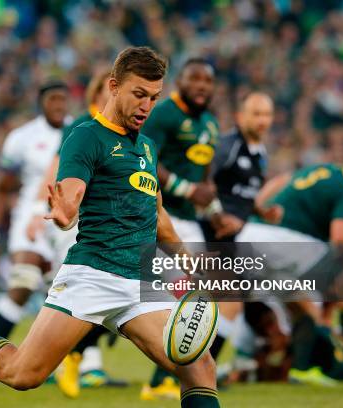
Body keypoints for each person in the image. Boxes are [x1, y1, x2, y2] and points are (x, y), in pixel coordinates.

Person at [0, 46, 221, 408]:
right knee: (22, 374)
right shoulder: (85, 136)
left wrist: (191, 264)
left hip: (138, 281)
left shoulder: (148, 148)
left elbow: (157, 216)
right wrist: (65, 212)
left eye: (153, 98)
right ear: (113, 86)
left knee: (199, 365)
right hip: (92, 275)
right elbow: (71, 192)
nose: (146, 106)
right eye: (139, 94)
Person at [236, 155, 343, 386]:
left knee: (300, 306)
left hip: (253, 235)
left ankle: (301, 369)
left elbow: (282, 180)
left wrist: (259, 206)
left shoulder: (328, 170)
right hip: (286, 240)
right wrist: (341, 279)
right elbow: (341, 236)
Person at [26, 68, 127, 397]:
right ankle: (67, 359)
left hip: (113, 226)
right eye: (105, 91)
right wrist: (36, 212)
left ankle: (84, 361)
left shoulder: (130, 131)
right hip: (78, 222)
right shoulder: (82, 128)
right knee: (84, 292)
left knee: (102, 296)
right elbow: (54, 171)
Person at [0, 80, 68, 383]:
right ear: (41, 102)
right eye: (53, 99)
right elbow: (1, 189)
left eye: (63, 100)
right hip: (29, 220)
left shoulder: (80, 132)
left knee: (59, 295)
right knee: (23, 282)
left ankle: (48, 364)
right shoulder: (21, 138)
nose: (59, 105)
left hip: (66, 223)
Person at [139, 58, 219, 400]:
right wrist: (188, 190)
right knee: (180, 297)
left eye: (207, 80)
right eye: (194, 78)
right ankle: (162, 380)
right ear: (180, 82)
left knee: (196, 300)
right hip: (162, 217)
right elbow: (147, 159)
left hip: (192, 222)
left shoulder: (211, 125)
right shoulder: (165, 114)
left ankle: (167, 379)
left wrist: (214, 210)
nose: (201, 85)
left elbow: (204, 177)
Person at [199, 92, 281, 360]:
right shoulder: (228, 145)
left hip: (232, 238)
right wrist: (219, 214)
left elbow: (240, 194)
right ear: (240, 117)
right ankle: (200, 369)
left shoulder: (260, 154)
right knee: (230, 300)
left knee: (247, 297)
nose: (262, 120)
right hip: (211, 232)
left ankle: (242, 360)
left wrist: (261, 210)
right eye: (256, 114)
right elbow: (204, 181)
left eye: (266, 114)